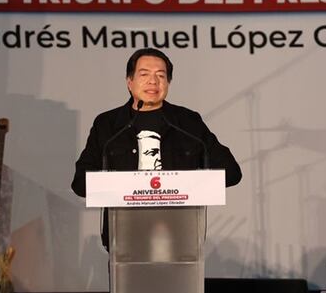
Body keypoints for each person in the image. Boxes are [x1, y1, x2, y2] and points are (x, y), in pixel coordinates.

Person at [71, 48, 242, 246]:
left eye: (160, 75)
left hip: (180, 237)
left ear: (168, 83)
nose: (153, 81)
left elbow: (231, 172)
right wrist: (123, 187)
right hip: (125, 239)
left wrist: (183, 186)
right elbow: (81, 183)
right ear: (129, 81)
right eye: (144, 74)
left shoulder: (187, 122)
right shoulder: (108, 125)